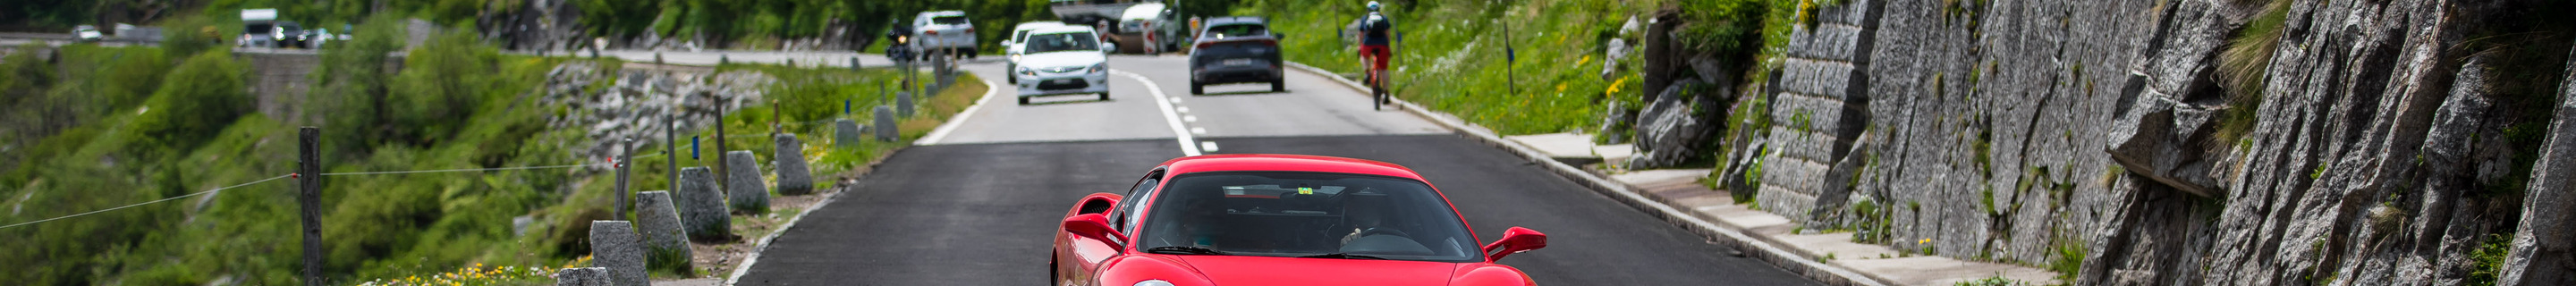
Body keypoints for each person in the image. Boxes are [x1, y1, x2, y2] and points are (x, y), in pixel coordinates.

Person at [1358, 1, 1397, 105]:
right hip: (1382, 44)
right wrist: (1388, 46)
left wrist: (1360, 46)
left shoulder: (1365, 18)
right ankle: (1386, 92)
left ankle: (1367, 73)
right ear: (1379, 9)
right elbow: (1387, 34)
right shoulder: (1383, 18)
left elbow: (1361, 34)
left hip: (1368, 44)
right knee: (1384, 68)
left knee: (1364, 55)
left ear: (1368, 10)